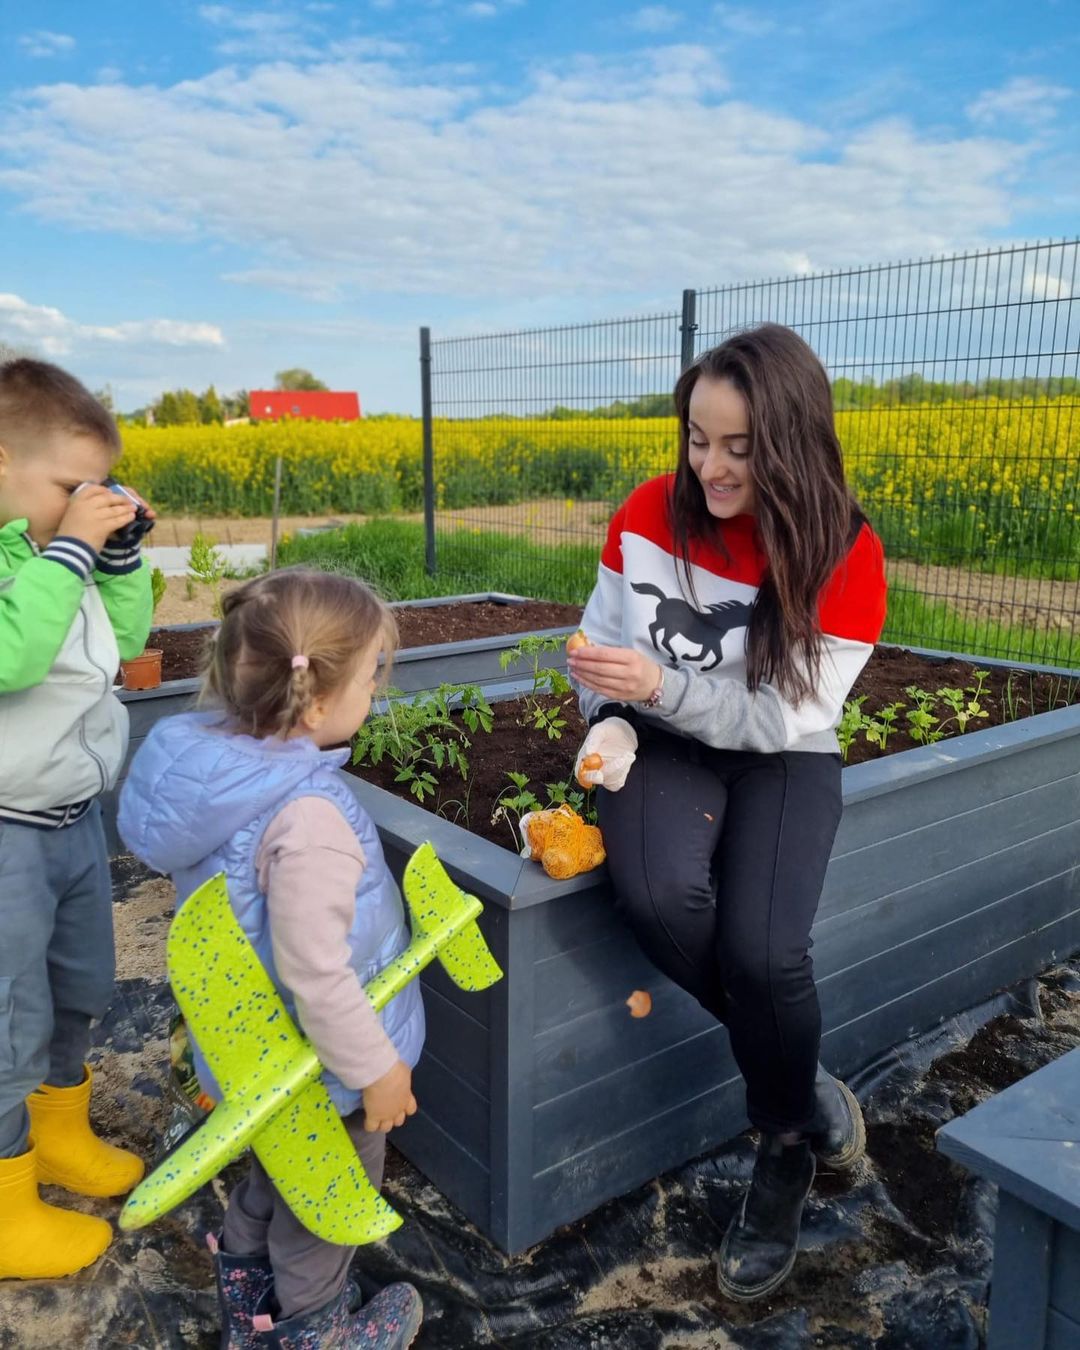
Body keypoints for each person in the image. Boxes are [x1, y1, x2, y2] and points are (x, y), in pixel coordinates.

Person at [567, 324, 887, 1303]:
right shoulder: (646, 515)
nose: (708, 466)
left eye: (738, 448)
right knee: (659, 899)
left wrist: (657, 685)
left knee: (765, 952)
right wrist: (609, 717)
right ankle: (805, 1092)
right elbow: (601, 645)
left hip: (783, 752)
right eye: (697, 439)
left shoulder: (848, 555)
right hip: (664, 739)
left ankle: (782, 1143)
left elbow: (776, 718)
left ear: (790, 443)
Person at [118, 568, 424, 1349]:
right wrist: (377, 1068)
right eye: (369, 678)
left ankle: (244, 1271)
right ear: (317, 699)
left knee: (275, 1165)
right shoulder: (309, 819)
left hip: (251, 1056)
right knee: (325, 1196)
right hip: (319, 1070)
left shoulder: (215, 774)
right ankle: (312, 1327)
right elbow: (315, 974)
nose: (373, 695)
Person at [0, 358, 153, 1280]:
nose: (82, 505)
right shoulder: (21, 562)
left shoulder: (58, 556)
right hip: (5, 832)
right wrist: (66, 550)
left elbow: (123, 641)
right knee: (3, 1014)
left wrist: (119, 557)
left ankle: (56, 1133)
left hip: (70, 821)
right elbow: (16, 656)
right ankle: (7, 1205)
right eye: (69, 486)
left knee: (76, 987)